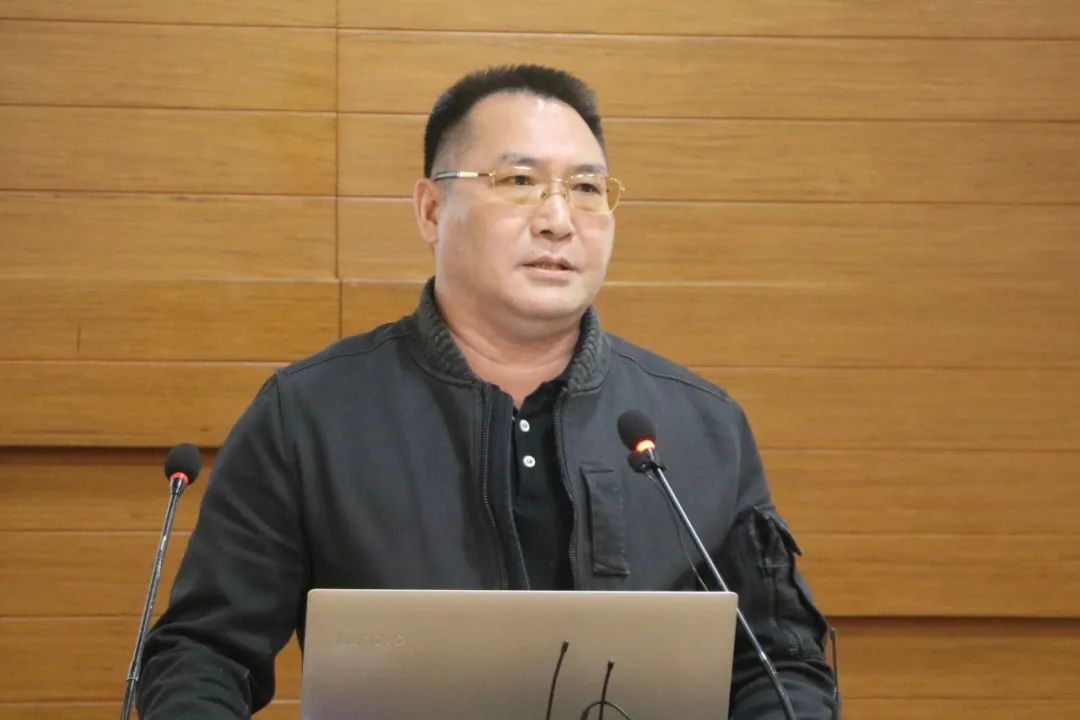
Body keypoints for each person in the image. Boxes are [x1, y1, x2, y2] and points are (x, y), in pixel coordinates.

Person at [138, 64, 838, 719]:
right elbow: (204, 654)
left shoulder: (700, 425)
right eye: (519, 180)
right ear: (430, 209)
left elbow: (778, 665)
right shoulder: (311, 416)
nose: (559, 219)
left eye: (587, 189)